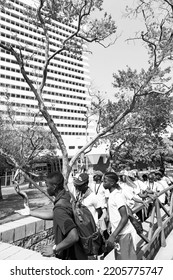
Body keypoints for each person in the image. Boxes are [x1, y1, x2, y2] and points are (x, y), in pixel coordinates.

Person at [16, 171, 88, 260]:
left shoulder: (60, 208)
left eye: (47, 186)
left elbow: (73, 236)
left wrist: (54, 249)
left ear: (54, 187)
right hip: (80, 252)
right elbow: (56, 215)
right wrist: (30, 212)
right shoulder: (67, 195)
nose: (46, 188)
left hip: (71, 256)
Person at [103, 171, 137, 260]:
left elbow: (124, 217)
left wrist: (113, 235)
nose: (103, 183)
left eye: (105, 181)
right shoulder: (112, 195)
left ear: (112, 183)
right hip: (119, 234)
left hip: (124, 234)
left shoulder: (117, 196)